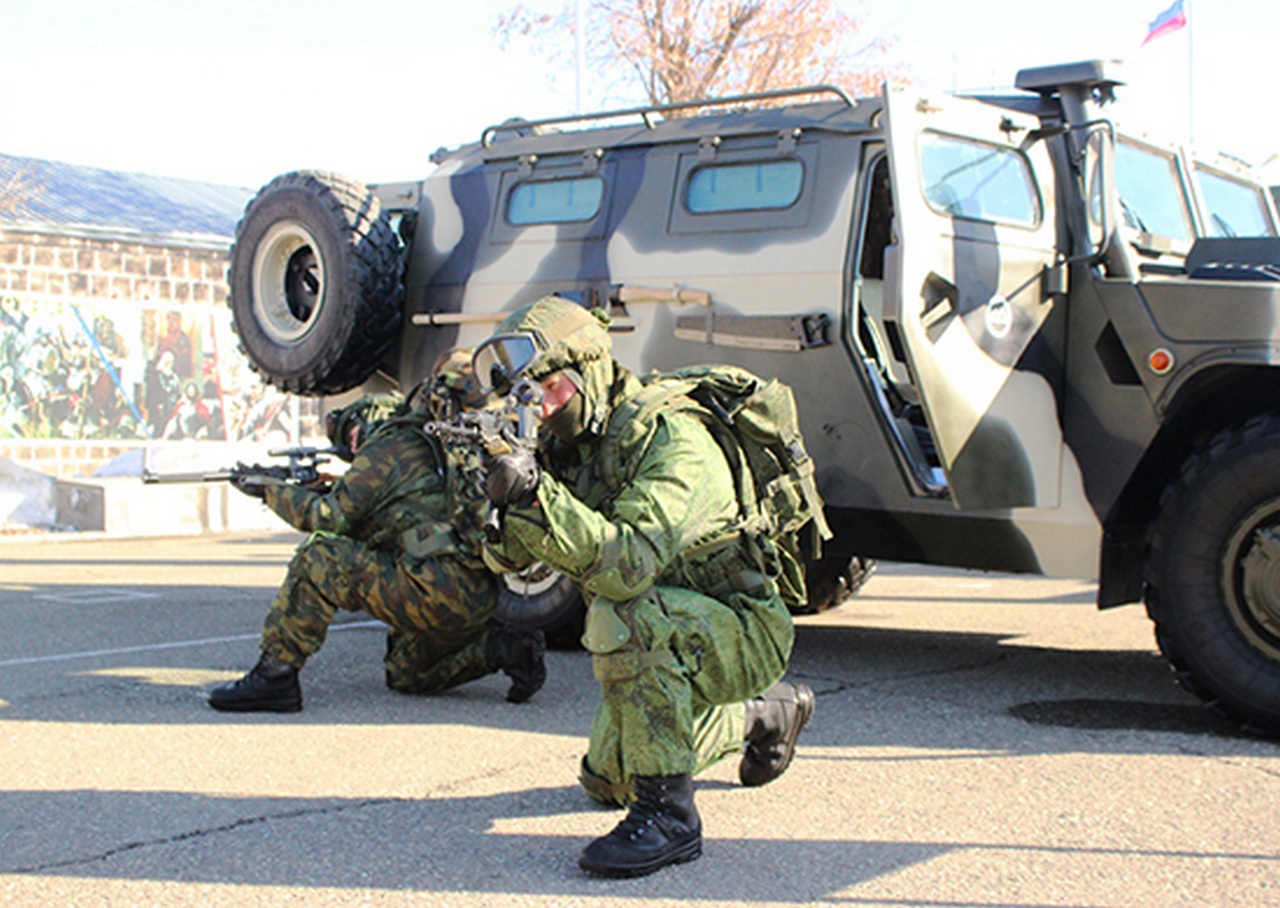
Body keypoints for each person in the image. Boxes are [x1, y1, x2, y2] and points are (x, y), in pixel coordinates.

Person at [474, 296, 815, 878]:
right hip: (678, 622)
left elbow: (627, 564)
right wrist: (505, 494)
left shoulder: (672, 439)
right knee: (606, 779)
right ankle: (766, 716)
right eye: (532, 394)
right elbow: (506, 559)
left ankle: (670, 818)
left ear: (589, 370)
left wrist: (538, 497)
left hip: (739, 625)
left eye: (553, 386)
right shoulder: (569, 447)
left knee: (625, 612)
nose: (546, 406)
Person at [207, 349, 546, 713]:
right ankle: (506, 649)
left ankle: (274, 677)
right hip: (479, 599)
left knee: (318, 556)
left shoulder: (393, 444)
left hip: (430, 594)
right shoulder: (478, 450)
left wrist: (270, 490)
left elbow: (329, 517)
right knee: (406, 673)